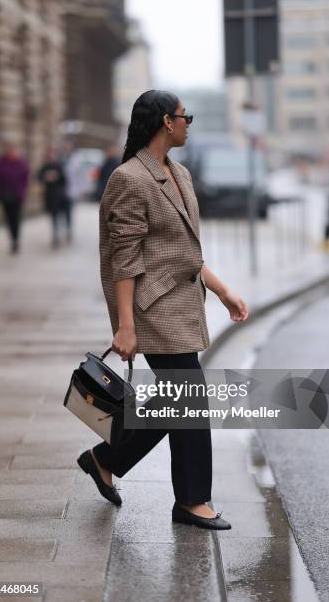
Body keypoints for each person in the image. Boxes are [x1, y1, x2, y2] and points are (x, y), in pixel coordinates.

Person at [77, 90, 249, 530]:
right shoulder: (129, 179)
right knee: (191, 401)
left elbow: (186, 252)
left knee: (178, 402)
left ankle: (105, 457)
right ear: (164, 123)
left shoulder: (180, 174)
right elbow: (124, 259)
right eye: (182, 116)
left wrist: (224, 290)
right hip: (152, 309)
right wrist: (126, 327)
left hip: (183, 303)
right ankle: (191, 501)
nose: (188, 122)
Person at [0, 143, 30, 254]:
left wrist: (22, 192)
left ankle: (16, 240)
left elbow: (26, 180)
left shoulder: (21, 164)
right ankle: (12, 238)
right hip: (5, 195)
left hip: (17, 196)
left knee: (16, 218)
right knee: (8, 218)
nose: (13, 154)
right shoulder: (1, 163)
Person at [38, 148, 67, 248]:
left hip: (58, 196)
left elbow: (64, 179)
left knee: (59, 216)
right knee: (53, 217)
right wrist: (46, 177)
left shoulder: (59, 165)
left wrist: (56, 177)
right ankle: (55, 236)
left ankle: (59, 234)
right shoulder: (45, 166)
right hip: (49, 196)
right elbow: (39, 176)